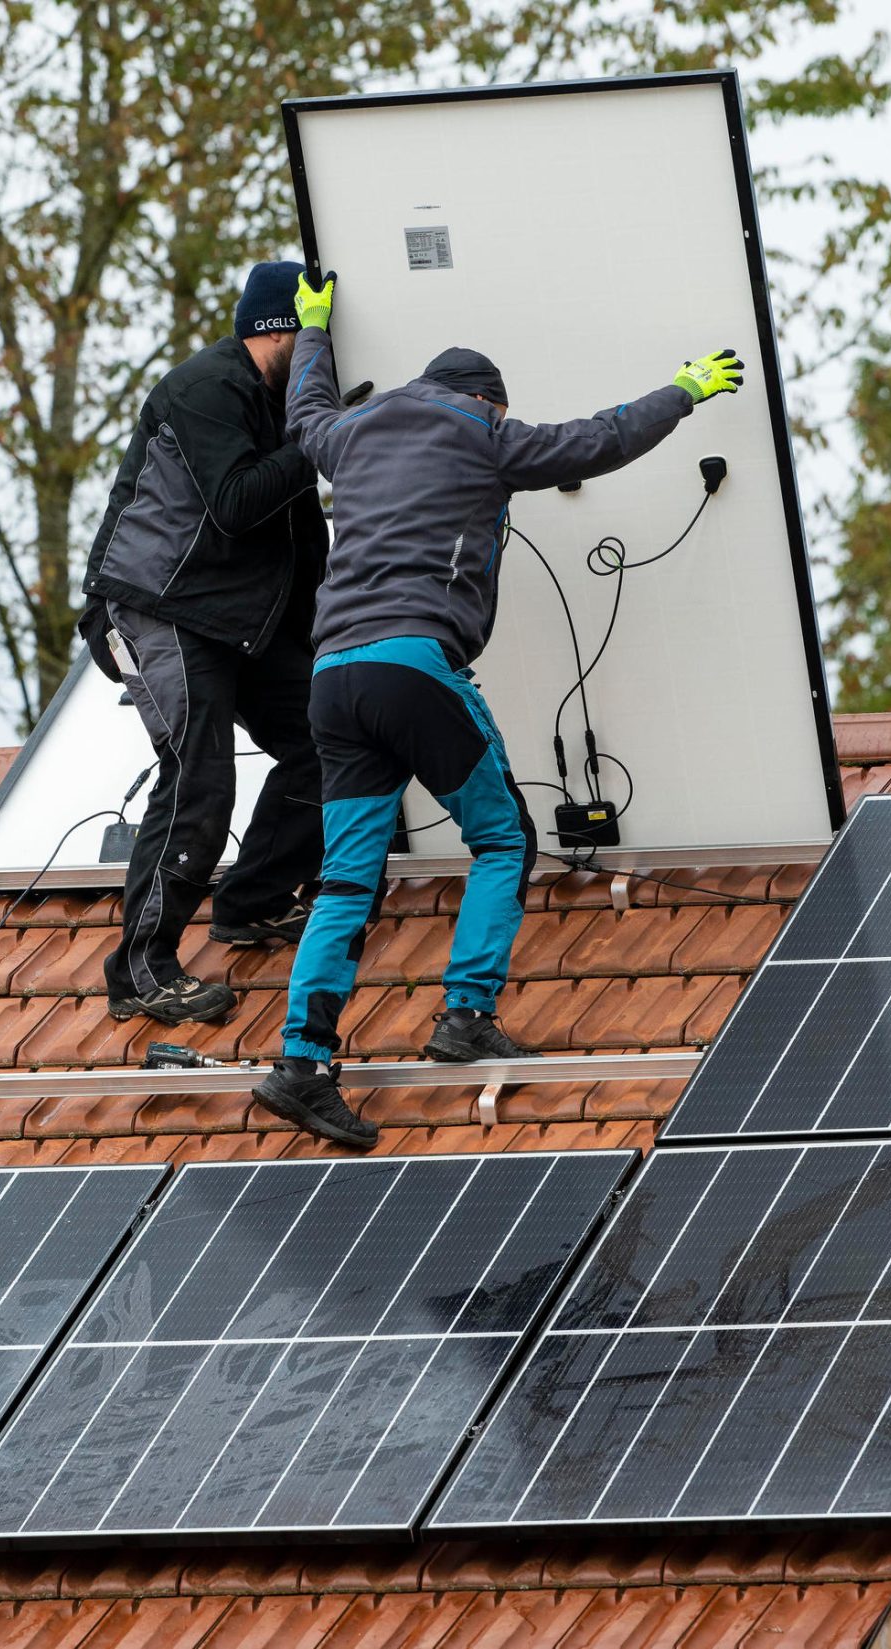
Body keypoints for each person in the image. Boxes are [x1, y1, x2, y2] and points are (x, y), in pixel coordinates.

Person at [251, 271, 745, 1147]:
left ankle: (302, 1061)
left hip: (333, 677)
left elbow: (306, 413)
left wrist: (316, 331)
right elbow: (599, 440)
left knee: (344, 881)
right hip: (413, 664)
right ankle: (466, 1012)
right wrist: (685, 390)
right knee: (504, 837)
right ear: (489, 400)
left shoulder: (353, 435)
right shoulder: (485, 433)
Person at [78, 260, 331, 1026]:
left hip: (232, 621)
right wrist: (319, 441)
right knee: (200, 775)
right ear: (277, 331)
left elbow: (301, 546)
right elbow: (236, 504)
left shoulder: (285, 406)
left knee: (328, 734)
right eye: (313, 341)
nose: (323, 359)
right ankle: (141, 969)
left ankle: (251, 900)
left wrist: (331, 646)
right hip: (154, 609)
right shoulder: (205, 388)